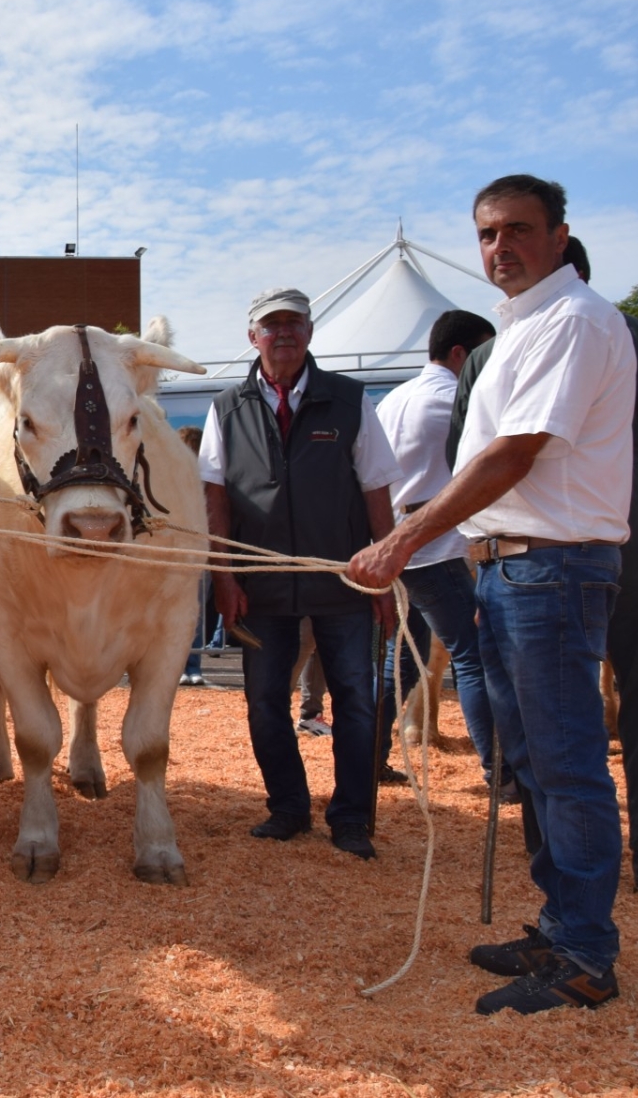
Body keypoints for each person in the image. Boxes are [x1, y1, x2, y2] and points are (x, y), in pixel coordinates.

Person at [351, 175, 633, 1015]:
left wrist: (402, 538)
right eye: (486, 234)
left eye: (517, 229)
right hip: (512, 567)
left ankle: (585, 952)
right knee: (537, 760)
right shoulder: (522, 329)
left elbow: (514, 456)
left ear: (559, 235)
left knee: (569, 764)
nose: (499, 247)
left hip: (552, 566)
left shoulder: (575, 322)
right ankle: (561, 924)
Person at [451, 237, 638, 891]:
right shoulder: (634, 331)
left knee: (540, 709)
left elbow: (465, 454)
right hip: (633, 513)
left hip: (533, 533)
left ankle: (561, 863)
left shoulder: (487, 353)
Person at [202, 287, 401, 859]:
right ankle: (287, 808)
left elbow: (376, 488)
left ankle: (352, 819)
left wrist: (385, 571)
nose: (282, 334)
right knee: (265, 701)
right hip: (261, 584)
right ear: (252, 337)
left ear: (310, 333)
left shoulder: (349, 399)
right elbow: (214, 495)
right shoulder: (226, 407)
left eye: (293, 324)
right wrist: (224, 577)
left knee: (356, 700)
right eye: (271, 326)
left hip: (343, 579)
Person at [372, 309, 498, 788]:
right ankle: (499, 770)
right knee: (473, 654)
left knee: (401, 659)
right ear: (461, 354)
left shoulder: (393, 399)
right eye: (484, 353)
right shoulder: (460, 401)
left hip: (393, 543)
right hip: (435, 547)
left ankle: (369, 759)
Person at [177, 425, 209, 687]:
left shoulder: (205, 480)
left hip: (196, 553)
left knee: (194, 613)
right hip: (174, 554)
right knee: (178, 614)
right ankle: (181, 666)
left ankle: (193, 665)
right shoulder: (171, 478)